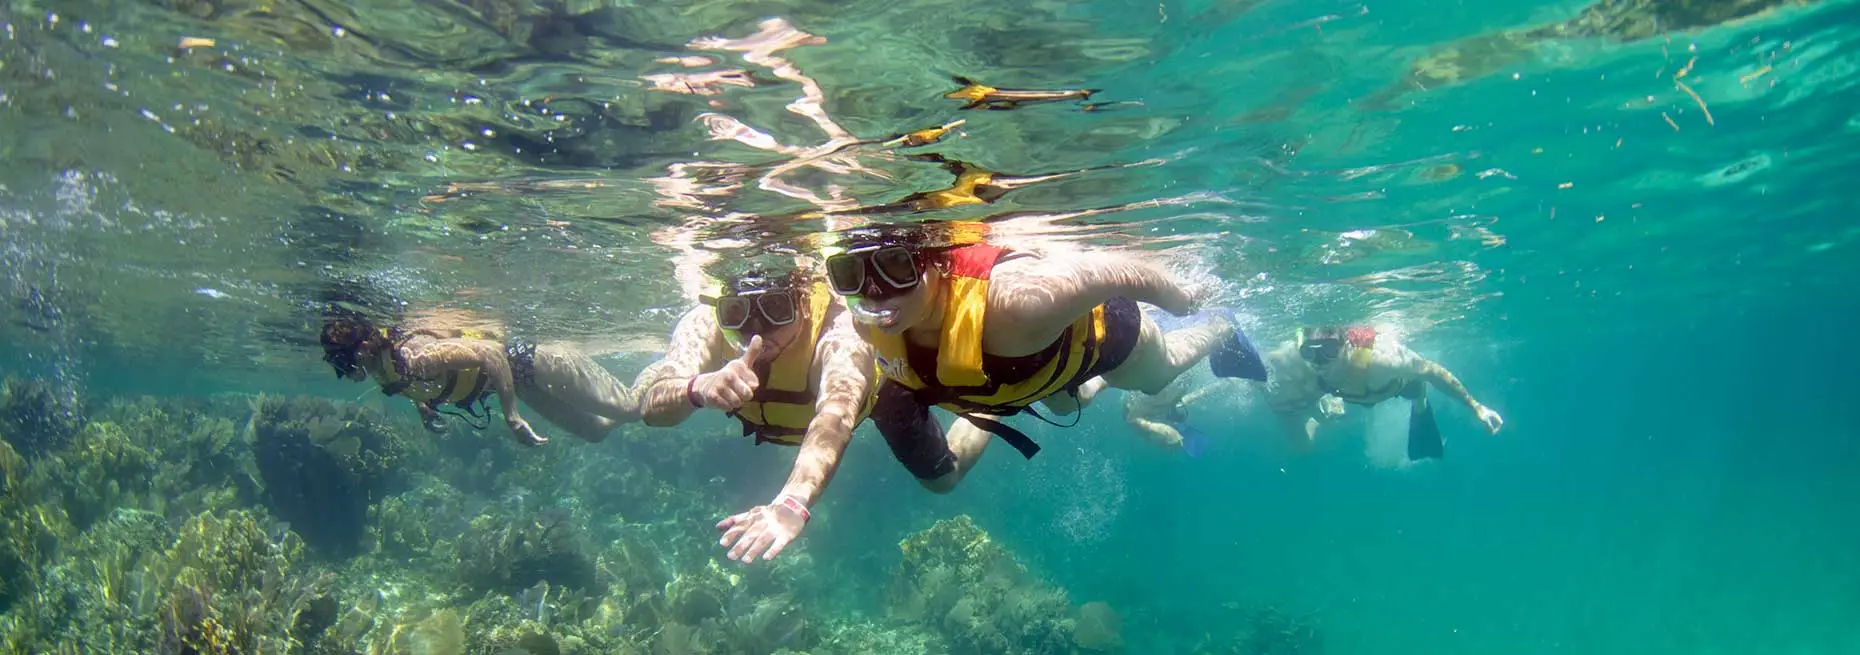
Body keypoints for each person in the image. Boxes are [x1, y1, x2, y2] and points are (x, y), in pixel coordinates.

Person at [823, 226, 1268, 492]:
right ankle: (1091, 385)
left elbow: (1114, 271)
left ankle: (1222, 326)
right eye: (850, 274)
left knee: (1157, 376)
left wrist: (1182, 300)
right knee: (1068, 402)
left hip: (1111, 337)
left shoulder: (1018, 304)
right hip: (1038, 368)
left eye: (898, 268)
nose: (875, 292)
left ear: (935, 266)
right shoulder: (858, 315)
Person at [630, 269, 878, 563]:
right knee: (634, 405)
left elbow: (835, 418)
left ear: (803, 303)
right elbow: (652, 410)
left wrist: (793, 502)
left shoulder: (839, 331)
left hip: (880, 404)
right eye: (737, 312)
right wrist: (697, 387)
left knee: (939, 479)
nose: (756, 331)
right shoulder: (706, 323)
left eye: (776, 308)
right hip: (768, 422)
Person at [318, 312, 641, 445]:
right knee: (595, 431)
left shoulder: (414, 357)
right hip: (520, 381)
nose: (342, 371)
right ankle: (659, 383)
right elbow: (410, 385)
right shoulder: (382, 369)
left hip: (530, 362)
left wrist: (512, 417)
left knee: (629, 407)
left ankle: (674, 371)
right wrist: (424, 408)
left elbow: (490, 354)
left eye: (342, 360)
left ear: (362, 347)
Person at [1262, 325, 1503, 460]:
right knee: (1301, 443)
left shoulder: (1381, 362)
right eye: (1309, 353)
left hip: (1397, 387)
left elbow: (1432, 371)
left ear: (1346, 347)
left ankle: (1420, 402)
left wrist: (1476, 407)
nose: (1318, 362)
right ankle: (1331, 410)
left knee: (1416, 388)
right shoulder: (1306, 367)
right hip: (1353, 395)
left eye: (1328, 352)